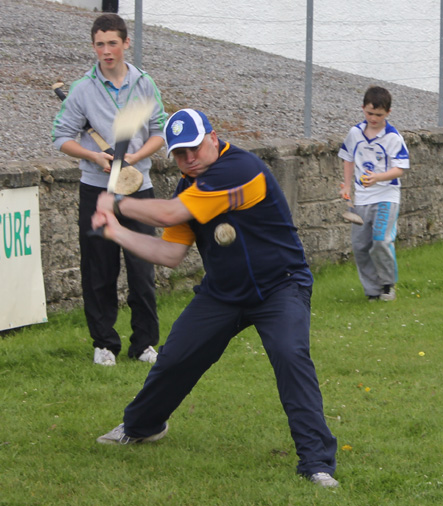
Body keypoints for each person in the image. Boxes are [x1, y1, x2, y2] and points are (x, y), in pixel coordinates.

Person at [91, 108, 338, 488]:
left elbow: (172, 212)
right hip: (223, 293)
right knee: (174, 359)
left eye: (193, 148)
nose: (188, 159)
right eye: (179, 154)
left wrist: (118, 205)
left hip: (280, 287)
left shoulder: (241, 169)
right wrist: (115, 233)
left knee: (290, 357)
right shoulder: (190, 185)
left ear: (212, 136)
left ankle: (317, 464)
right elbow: (169, 255)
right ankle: (142, 427)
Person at [52, 14, 168, 366]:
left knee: (142, 269)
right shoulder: (82, 89)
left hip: (139, 189)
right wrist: (91, 155)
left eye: (112, 43)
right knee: (99, 269)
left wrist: (134, 156)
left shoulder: (144, 84)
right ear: (94, 46)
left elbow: (160, 132)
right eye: (100, 44)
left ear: (125, 43)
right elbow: (61, 137)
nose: (106, 51)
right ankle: (104, 343)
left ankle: (144, 343)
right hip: (96, 189)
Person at [338, 86, 410, 301]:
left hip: (387, 196)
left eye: (379, 115)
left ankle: (387, 285)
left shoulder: (393, 137)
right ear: (363, 109)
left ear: (388, 112)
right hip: (362, 198)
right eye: (369, 113)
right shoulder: (355, 133)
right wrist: (346, 186)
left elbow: (401, 169)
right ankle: (372, 291)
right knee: (360, 246)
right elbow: (348, 159)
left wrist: (378, 177)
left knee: (380, 240)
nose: (373, 118)